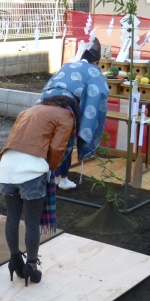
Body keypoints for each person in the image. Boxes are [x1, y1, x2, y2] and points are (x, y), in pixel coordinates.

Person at [0, 96, 75, 286]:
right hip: (32, 170)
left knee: (13, 216)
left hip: (7, 165)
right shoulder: (65, 115)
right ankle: (31, 266)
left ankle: (15, 259)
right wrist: (52, 168)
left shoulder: (27, 111)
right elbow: (58, 148)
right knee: (32, 221)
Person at [39, 37, 109, 190]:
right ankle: (62, 179)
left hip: (42, 104)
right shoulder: (93, 71)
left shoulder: (67, 66)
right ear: (96, 62)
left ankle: (50, 175)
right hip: (65, 106)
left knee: (47, 140)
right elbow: (98, 95)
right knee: (65, 143)